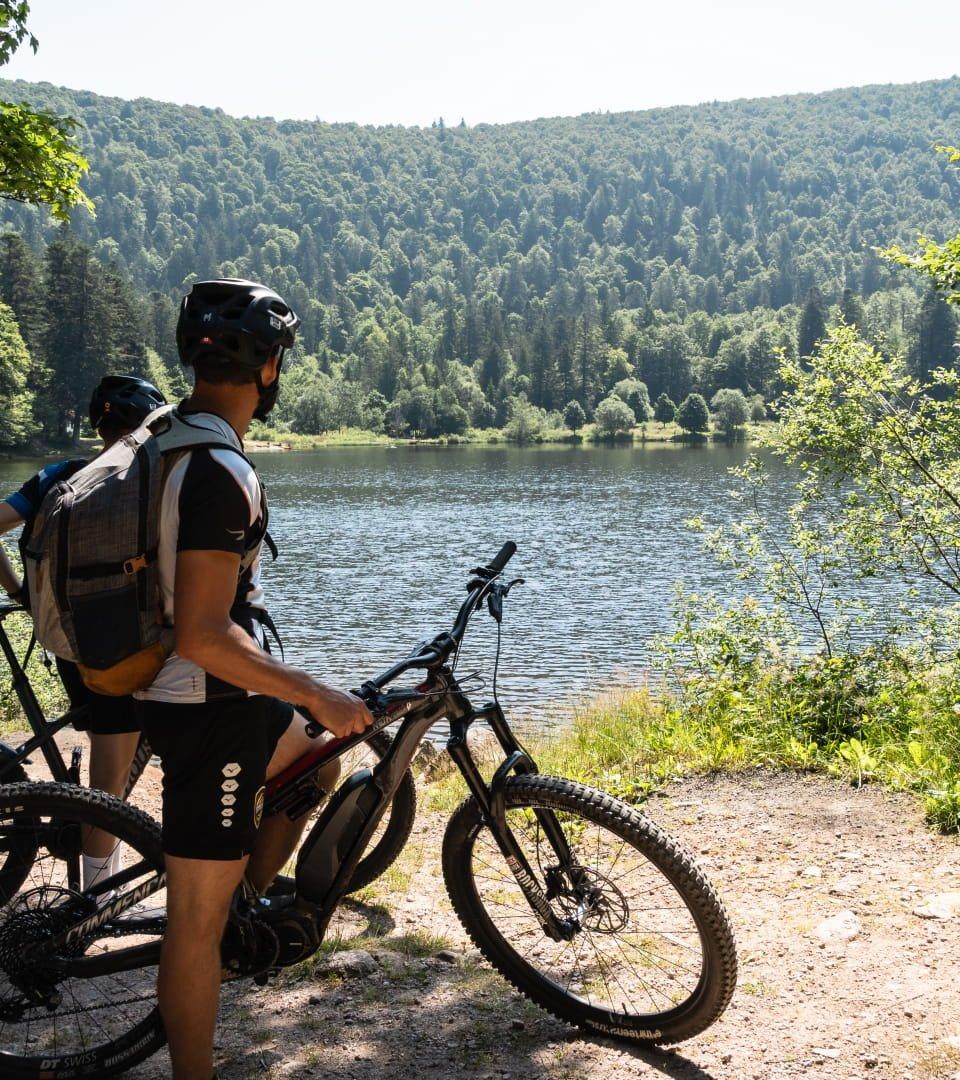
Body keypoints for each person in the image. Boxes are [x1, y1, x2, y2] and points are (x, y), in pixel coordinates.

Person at [137, 278, 371, 1079]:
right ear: (269, 370)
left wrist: (301, 707)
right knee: (191, 924)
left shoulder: (163, 434)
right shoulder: (217, 470)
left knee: (316, 759)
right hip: (205, 707)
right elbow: (205, 636)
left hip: (196, 695)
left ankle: (245, 903)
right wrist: (312, 689)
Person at [0, 375, 167, 893]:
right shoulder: (150, 478)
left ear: (99, 426)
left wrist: (22, 593)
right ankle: (96, 894)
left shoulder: (61, 475)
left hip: (70, 637)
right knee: (110, 774)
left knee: (110, 744)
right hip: (133, 640)